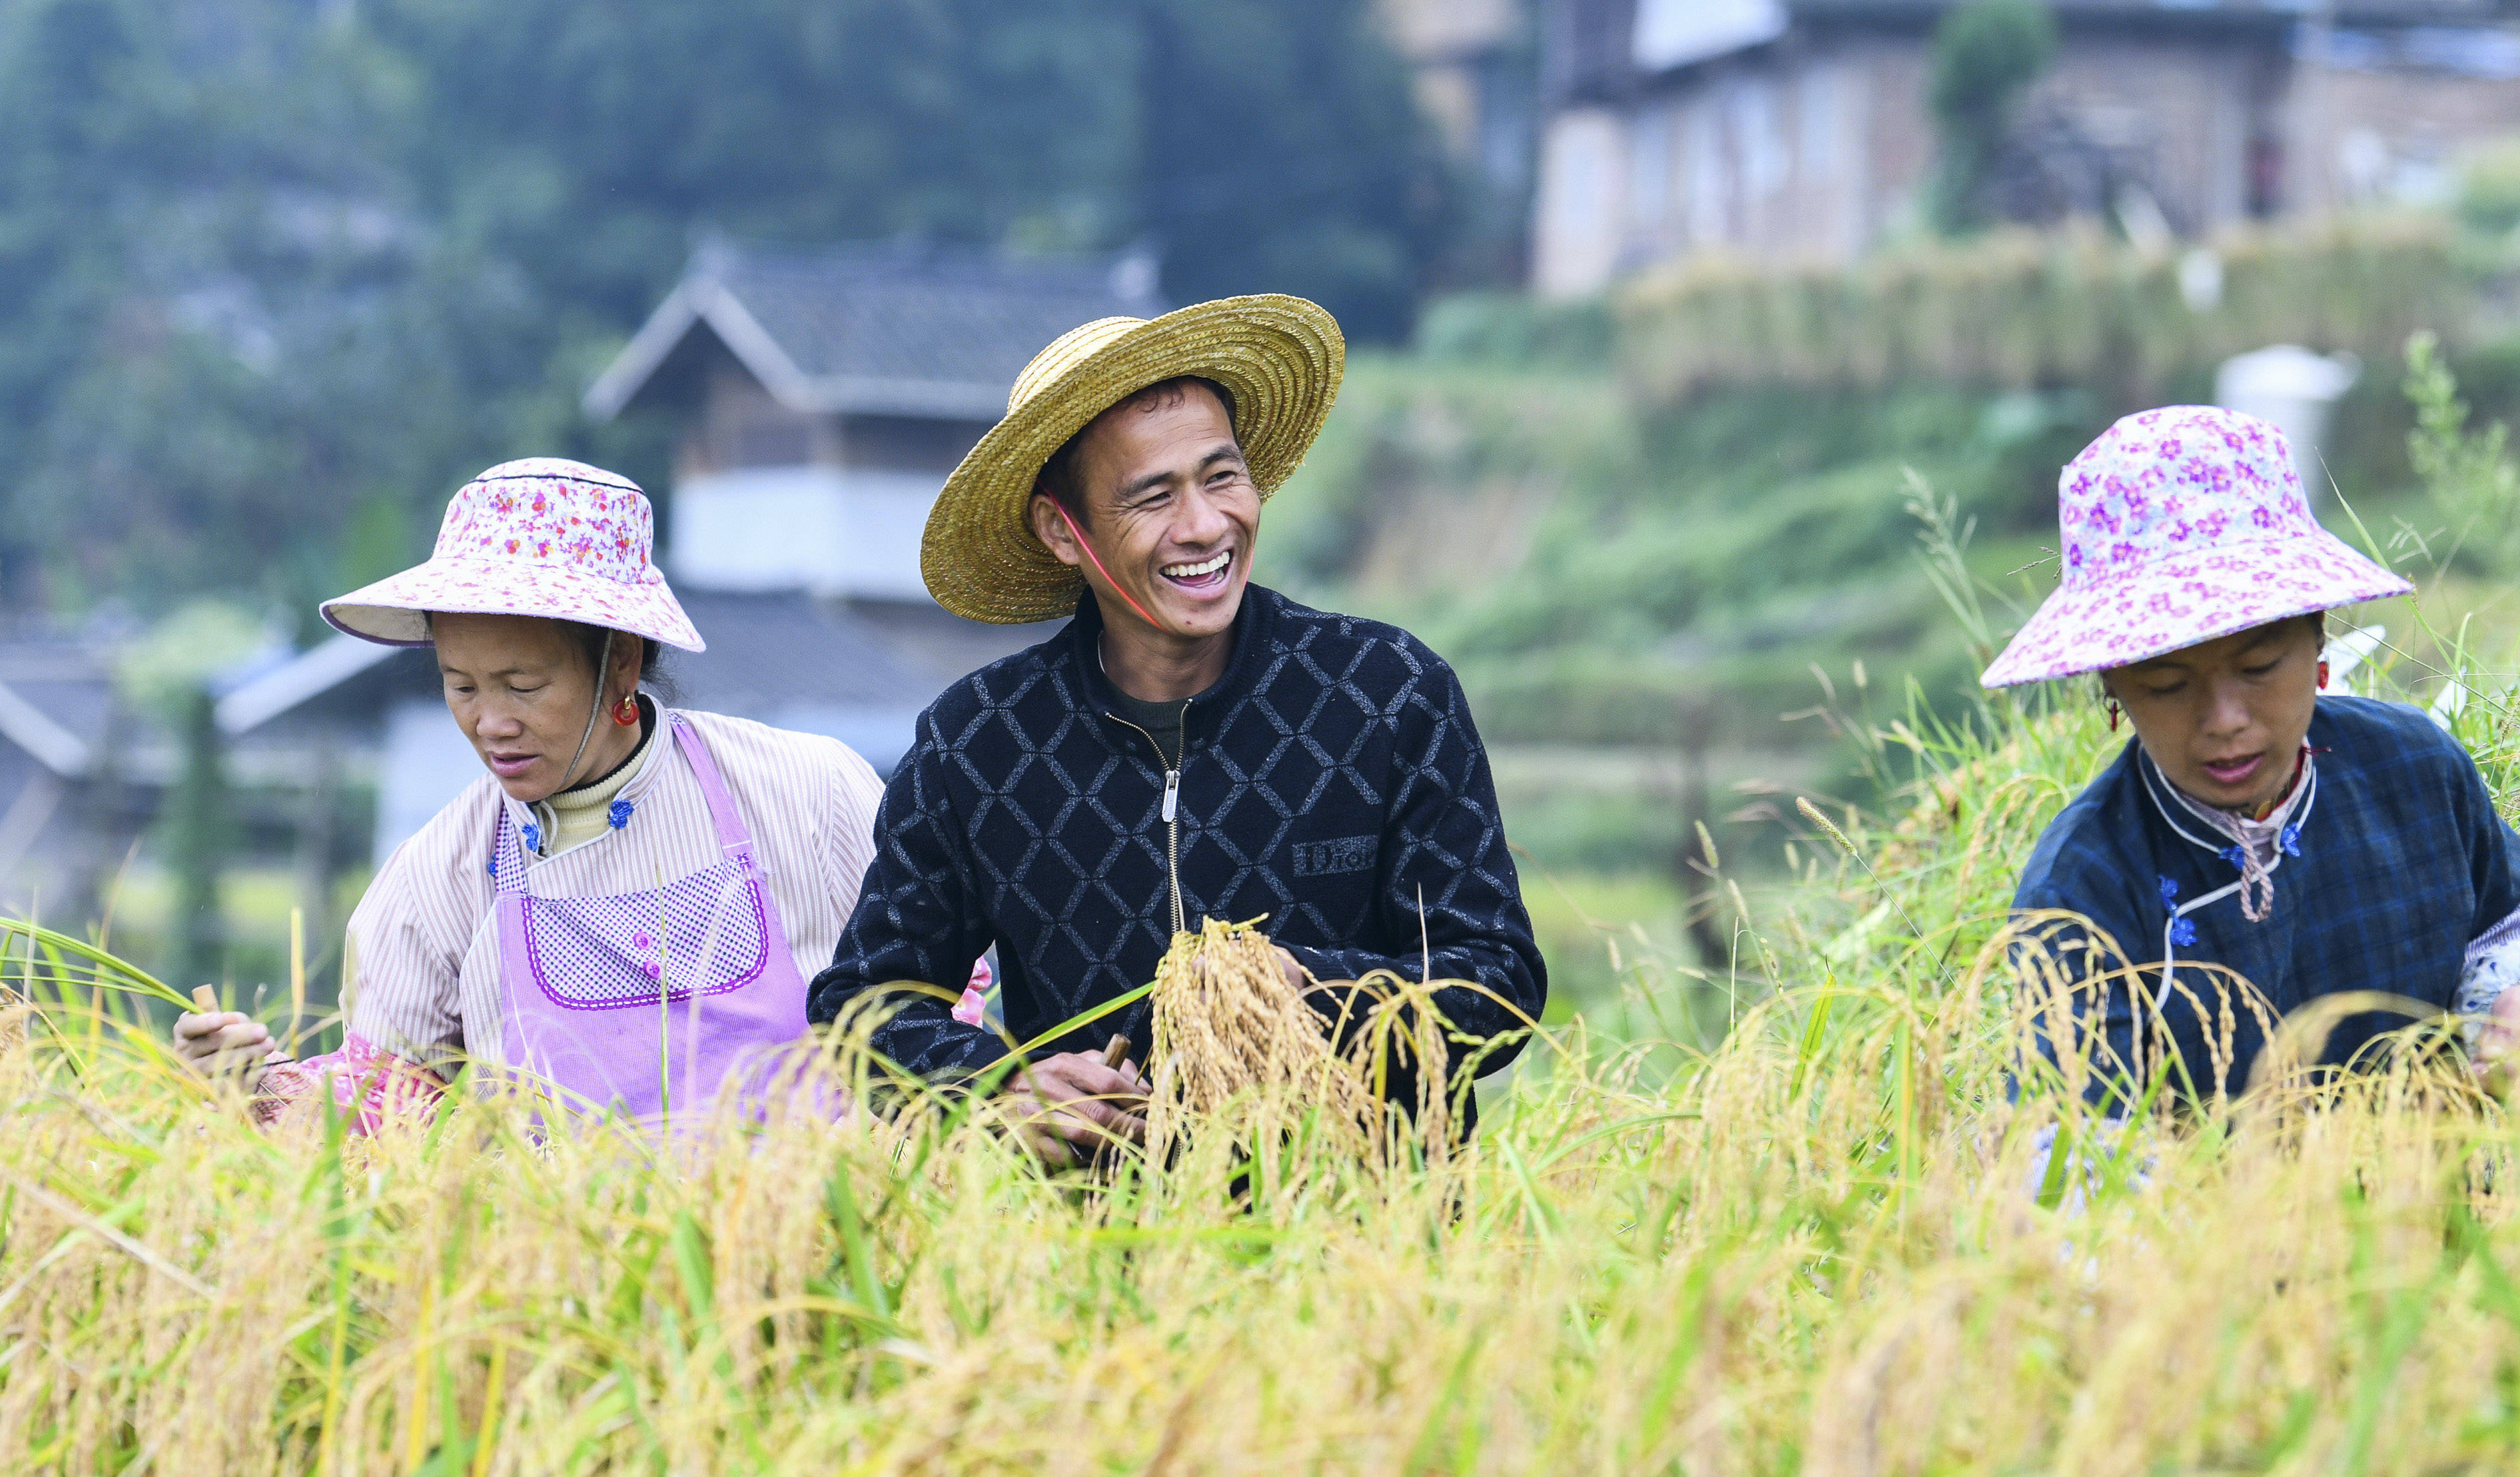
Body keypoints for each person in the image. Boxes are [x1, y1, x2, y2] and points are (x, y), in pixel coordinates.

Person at [806, 296, 1547, 1157]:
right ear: (1062, 529)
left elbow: (1497, 982)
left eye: (1221, 476)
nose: (1204, 526)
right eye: (1152, 496)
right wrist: (998, 1085)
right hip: (1092, 1250)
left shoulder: (1385, 693)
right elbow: (865, 1004)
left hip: (1364, 1244)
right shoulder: (978, 743)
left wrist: (1301, 988)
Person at [173, 459, 886, 1129]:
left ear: (622, 662)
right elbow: (388, 1107)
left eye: (524, 686)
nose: (491, 723)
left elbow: (923, 1005)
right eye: (462, 686)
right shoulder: (439, 875)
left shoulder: (805, 793)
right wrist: (258, 1085)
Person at [1988, 405, 2520, 1113]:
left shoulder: (2412, 769)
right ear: (2112, 686)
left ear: (2319, 637)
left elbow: (2517, 916)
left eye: (2260, 666)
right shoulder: (2084, 887)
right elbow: (2074, 1149)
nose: (2225, 722)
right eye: (2168, 686)